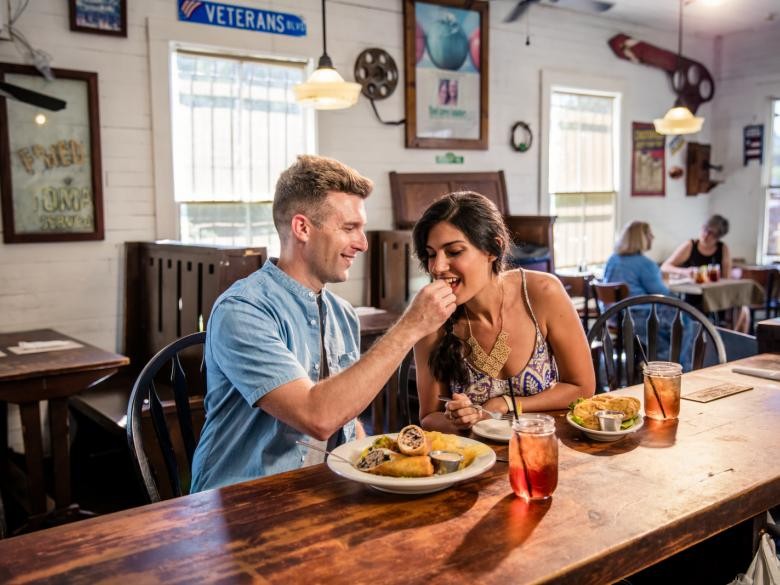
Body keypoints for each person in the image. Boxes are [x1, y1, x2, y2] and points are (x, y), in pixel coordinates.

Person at [190, 155, 456, 491]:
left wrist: (382, 467)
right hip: (241, 503)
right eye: (349, 228)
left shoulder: (342, 312)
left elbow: (344, 417)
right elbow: (318, 417)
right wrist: (411, 326)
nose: (362, 243)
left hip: (321, 489)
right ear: (302, 228)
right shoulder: (242, 310)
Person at [410, 192, 595, 432]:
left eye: (454, 251)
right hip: (476, 459)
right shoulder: (432, 316)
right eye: (432, 254)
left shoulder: (543, 293)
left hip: (544, 447)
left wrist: (508, 404)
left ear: (493, 249)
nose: (437, 267)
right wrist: (459, 420)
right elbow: (429, 417)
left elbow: (582, 388)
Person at [604, 220, 696, 370]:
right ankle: (676, 369)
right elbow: (662, 294)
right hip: (639, 317)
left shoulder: (612, 259)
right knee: (685, 321)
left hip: (614, 316)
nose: (653, 237)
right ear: (642, 237)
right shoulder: (645, 264)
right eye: (650, 234)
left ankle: (652, 362)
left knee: (670, 327)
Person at [661, 214, 732, 280]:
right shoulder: (690, 245)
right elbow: (665, 267)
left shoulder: (723, 248)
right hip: (690, 290)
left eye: (711, 233)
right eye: (705, 229)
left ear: (718, 236)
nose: (705, 234)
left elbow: (726, 278)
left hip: (712, 290)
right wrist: (684, 271)